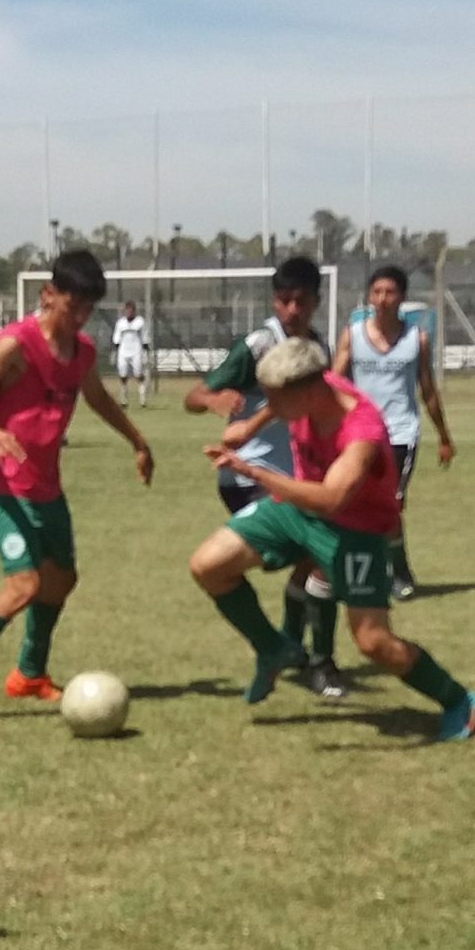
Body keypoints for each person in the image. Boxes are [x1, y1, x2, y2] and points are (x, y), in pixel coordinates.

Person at [189, 336, 475, 741]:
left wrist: (254, 472)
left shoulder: (362, 431)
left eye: (274, 399)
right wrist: (249, 427)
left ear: (309, 392)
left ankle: (458, 699)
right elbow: (281, 401)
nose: (268, 405)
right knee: (208, 565)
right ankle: (273, 648)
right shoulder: (314, 383)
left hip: (355, 531)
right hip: (298, 511)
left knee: (374, 643)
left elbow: (331, 498)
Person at [0, 249, 154, 725]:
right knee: (24, 584)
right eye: (73, 306)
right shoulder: (15, 345)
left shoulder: (82, 352)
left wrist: (138, 441)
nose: (80, 318)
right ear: (48, 295)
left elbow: (98, 397)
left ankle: (29, 674)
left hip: (47, 488)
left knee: (61, 579)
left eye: (88, 309)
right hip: (3, 487)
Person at [184, 256, 346, 700]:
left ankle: (287, 649)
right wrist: (214, 401)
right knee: (320, 553)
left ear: (316, 301)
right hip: (247, 478)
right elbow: (193, 395)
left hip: (296, 479)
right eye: (284, 300)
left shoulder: (318, 348)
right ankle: (306, 656)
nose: (292, 309)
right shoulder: (258, 345)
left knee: (315, 560)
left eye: (301, 301)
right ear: (274, 301)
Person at [332, 264, 455, 599]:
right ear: (369, 296)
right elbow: (334, 383)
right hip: (360, 434)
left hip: (401, 434)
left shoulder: (417, 339)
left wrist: (444, 437)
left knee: (390, 505)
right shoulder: (352, 336)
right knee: (353, 501)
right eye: (377, 292)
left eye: (390, 292)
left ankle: (400, 574)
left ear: (402, 297)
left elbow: (428, 391)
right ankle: (361, 571)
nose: (383, 299)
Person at [112, 300, 150, 408]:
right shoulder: (120, 323)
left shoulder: (140, 322)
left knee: (138, 374)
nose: (129, 312)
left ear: (134, 311)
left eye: (131, 310)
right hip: (123, 351)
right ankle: (124, 400)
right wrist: (114, 352)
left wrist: (146, 351)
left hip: (136, 350)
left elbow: (145, 336)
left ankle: (143, 400)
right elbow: (116, 338)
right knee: (123, 374)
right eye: (127, 310)